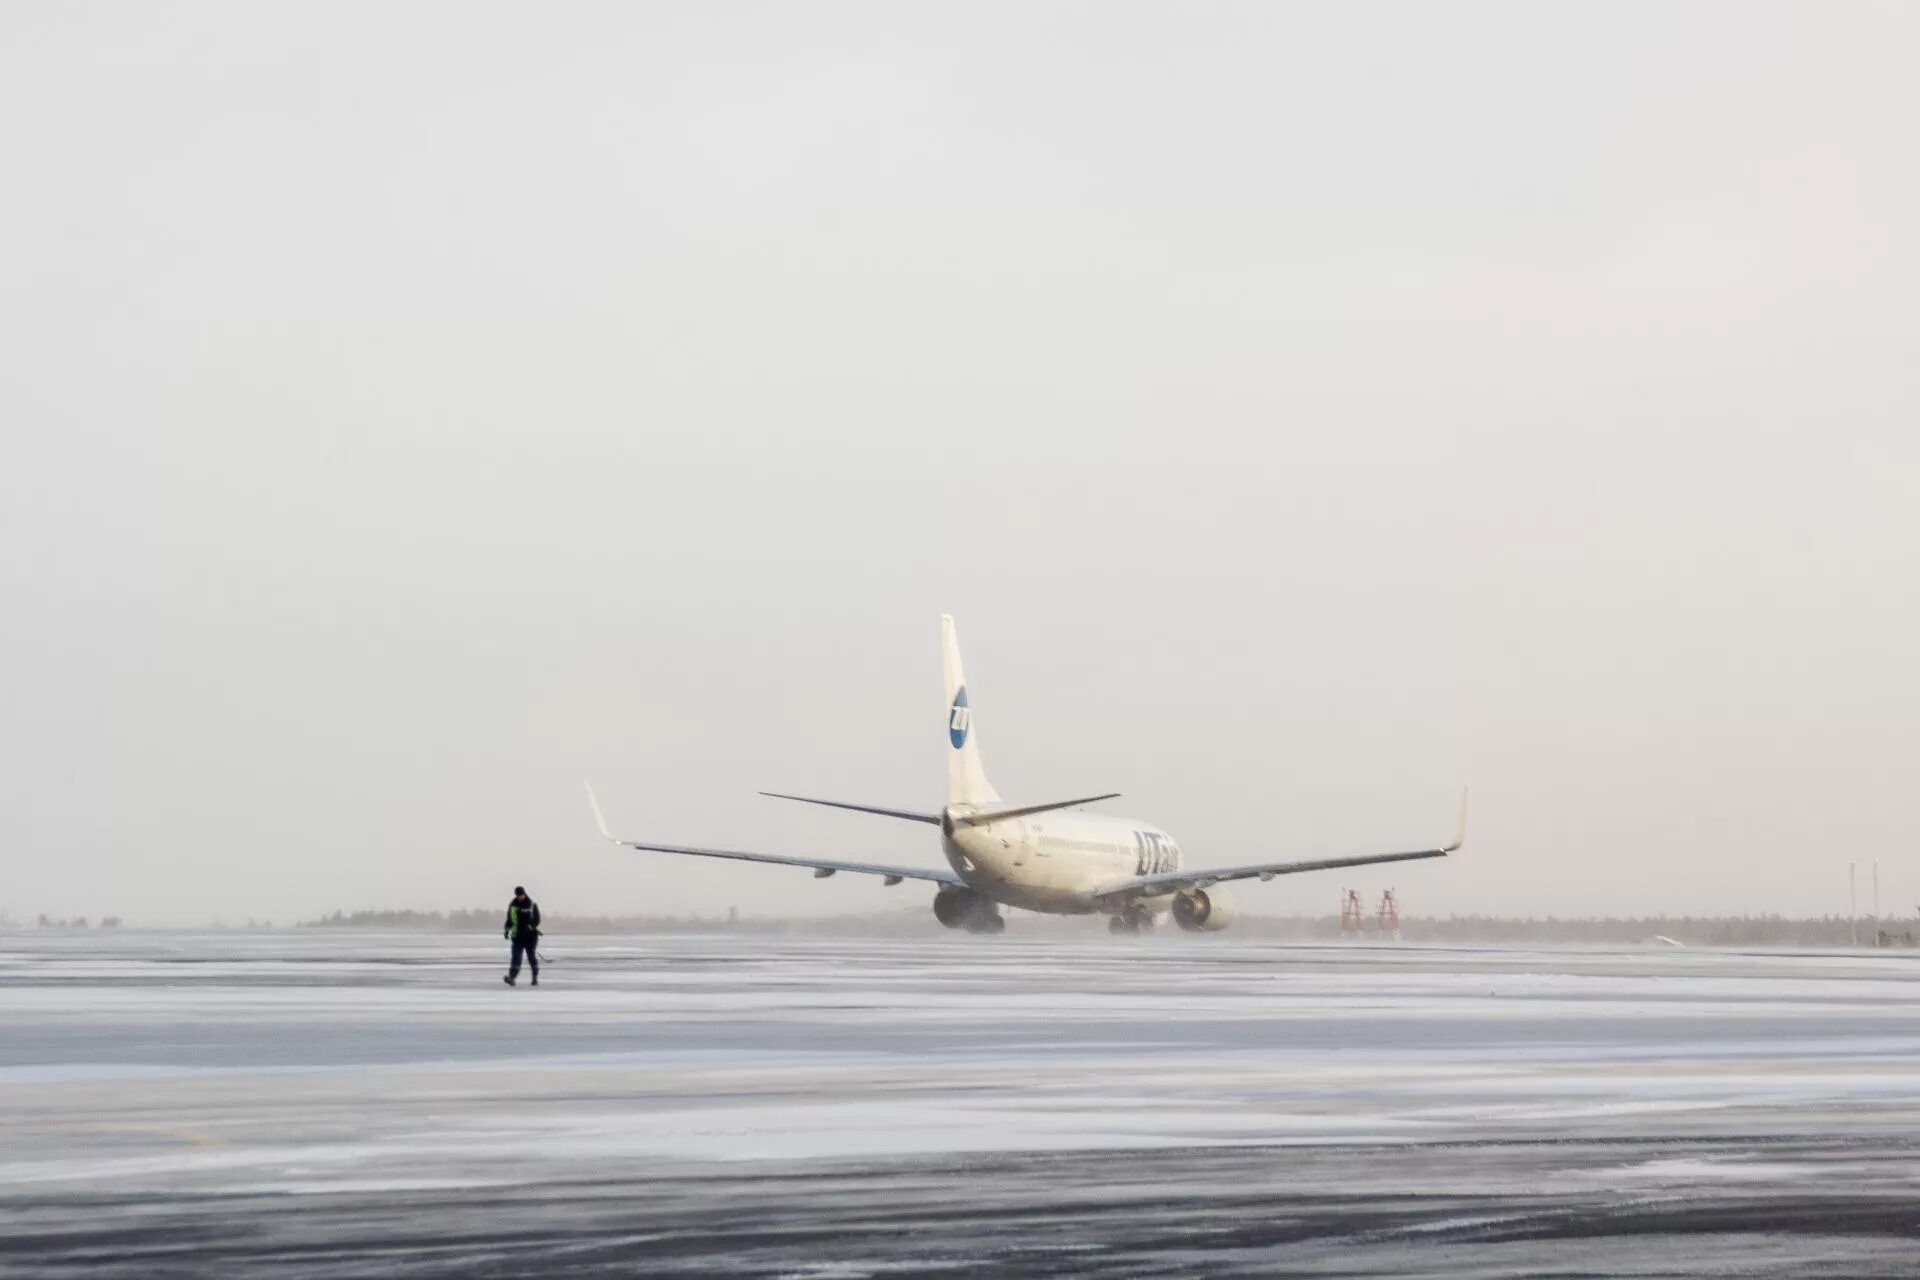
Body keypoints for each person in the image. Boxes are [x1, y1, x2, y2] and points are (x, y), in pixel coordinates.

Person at [503, 886, 541, 986]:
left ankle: (534, 978)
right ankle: (512, 978)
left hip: (530, 937)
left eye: (521, 895)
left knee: (531, 957)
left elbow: (537, 919)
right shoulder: (513, 905)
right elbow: (509, 920)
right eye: (518, 895)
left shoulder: (532, 905)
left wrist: (531, 926)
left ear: (524, 894)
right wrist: (507, 930)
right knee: (516, 958)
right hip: (517, 937)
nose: (519, 897)